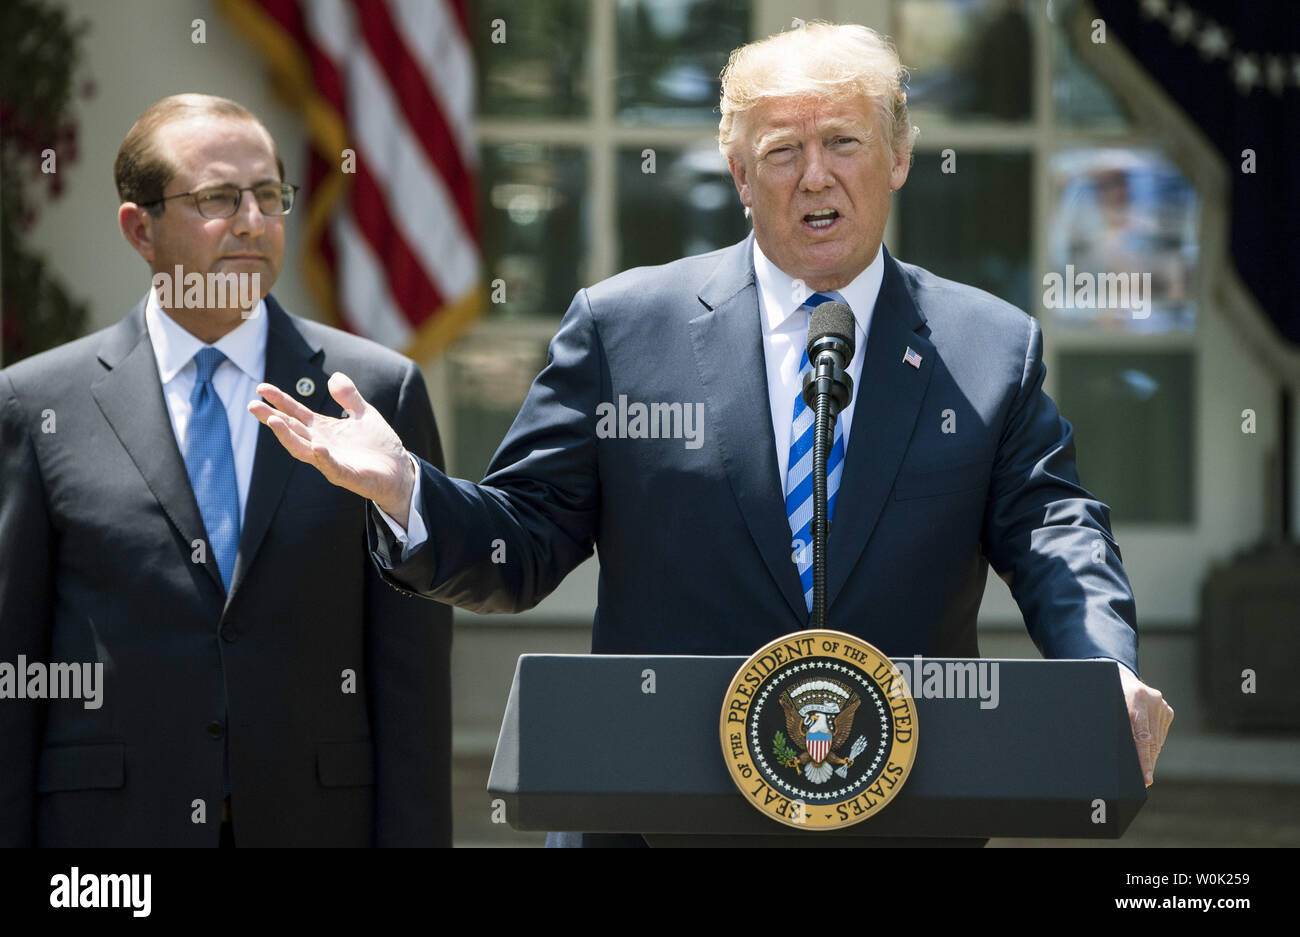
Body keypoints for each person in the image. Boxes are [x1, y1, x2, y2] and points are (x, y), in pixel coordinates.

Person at [249, 24, 1174, 844]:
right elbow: (523, 538)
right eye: (782, 151)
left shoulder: (988, 347)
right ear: (739, 174)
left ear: (897, 155)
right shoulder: (624, 328)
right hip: (653, 818)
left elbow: (1056, 534)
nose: (816, 175)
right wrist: (406, 489)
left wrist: (1103, 672)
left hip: (903, 817)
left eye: (844, 142)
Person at [0, 94, 451, 847]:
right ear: (139, 228)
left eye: (269, 194)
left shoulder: (372, 393)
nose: (252, 220)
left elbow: (412, 676)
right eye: (217, 197)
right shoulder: (39, 403)